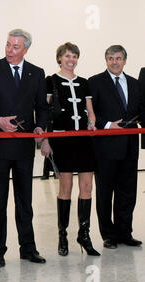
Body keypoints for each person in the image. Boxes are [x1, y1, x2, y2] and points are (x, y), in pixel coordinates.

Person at [0, 29, 48, 267]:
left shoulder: (36, 73)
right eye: (8, 44)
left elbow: (42, 107)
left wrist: (40, 127)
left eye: (16, 47)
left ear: (26, 49)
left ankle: (28, 248)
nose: (9, 50)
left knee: (24, 201)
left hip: (24, 146)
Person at [40, 42, 100, 257]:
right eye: (67, 56)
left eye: (74, 56)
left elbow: (90, 112)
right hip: (61, 139)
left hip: (84, 140)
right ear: (59, 58)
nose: (71, 59)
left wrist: (92, 123)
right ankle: (63, 235)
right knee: (65, 187)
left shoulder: (84, 83)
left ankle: (84, 234)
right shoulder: (50, 81)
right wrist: (44, 140)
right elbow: (44, 113)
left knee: (87, 187)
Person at [88, 45, 145, 249]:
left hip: (130, 145)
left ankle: (124, 232)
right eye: (111, 58)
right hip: (105, 146)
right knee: (105, 192)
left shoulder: (135, 84)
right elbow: (90, 111)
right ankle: (108, 235)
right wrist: (106, 124)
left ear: (125, 60)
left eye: (118, 58)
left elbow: (141, 111)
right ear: (106, 60)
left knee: (128, 191)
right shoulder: (94, 82)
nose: (114, 62)